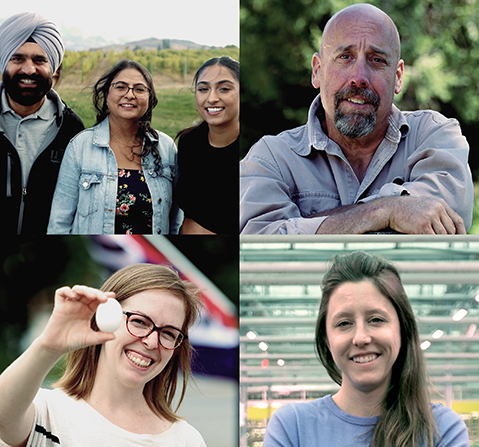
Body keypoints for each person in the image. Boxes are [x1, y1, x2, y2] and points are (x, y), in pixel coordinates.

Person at [240, 3, 474, 235]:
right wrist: (387, 211)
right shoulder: (272, 158)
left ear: (398, 77)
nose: (359, 77)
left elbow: (444, 223)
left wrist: (307, 226)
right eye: (345, 57)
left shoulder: (435, 136)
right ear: (317, 71)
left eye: (377, 60)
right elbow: (257, 243)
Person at [263, 251, 470, 447]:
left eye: (376, 319)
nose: (361, 338)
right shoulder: (292, 427)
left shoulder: (443, 429)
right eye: (344, 323)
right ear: (326, 339)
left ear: (402, 329)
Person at [0, 263, 206, 447]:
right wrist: (48, 347)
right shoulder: (44, 412)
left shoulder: (186, 441)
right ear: (103, 318)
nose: (152, 342)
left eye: (169, 333)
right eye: (139, 321)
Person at [47, 60, 182, 234]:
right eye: (121, 87)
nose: (129, 95)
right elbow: (59, 224)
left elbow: (176, 224)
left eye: (139, 89)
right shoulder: (80, 147)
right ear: (107, 93)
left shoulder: (167, 148)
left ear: (150, 98)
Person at [0, 12, 84, 235]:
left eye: (39, 60)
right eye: (17, 58)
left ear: (54, 68)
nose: (28, 70)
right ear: (3, 63)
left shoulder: (72, 130)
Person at [175, 56, 239, 234]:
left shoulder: (251, 151)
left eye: (224, 89)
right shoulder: (189, 142)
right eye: (203, 89)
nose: (212, 98)